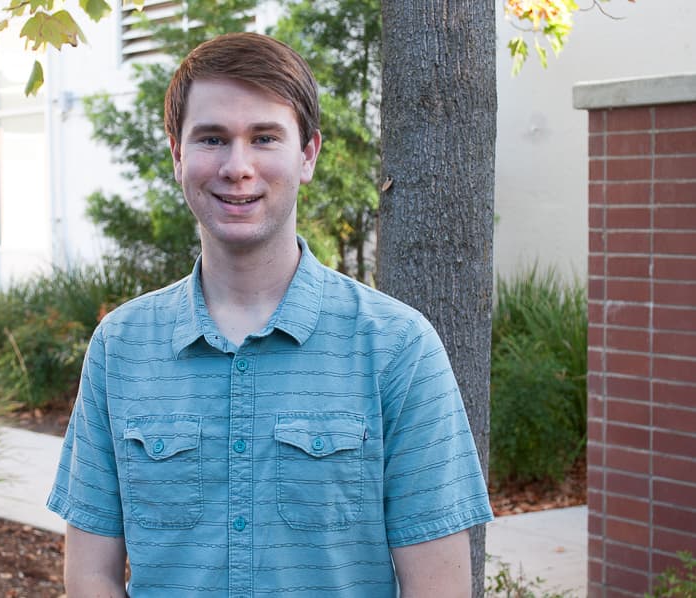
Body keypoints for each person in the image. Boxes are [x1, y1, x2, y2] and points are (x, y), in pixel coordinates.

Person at [47, 32, 493, 598]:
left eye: (264, 137)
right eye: (212, 138)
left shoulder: (397, 347)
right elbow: (90, 574)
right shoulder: (121, 346)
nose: (238, 166)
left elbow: (439, 586)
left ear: (307, 155)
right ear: (178, 155)